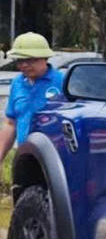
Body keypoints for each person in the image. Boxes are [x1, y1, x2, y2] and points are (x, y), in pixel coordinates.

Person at [1, 32, 64, 166]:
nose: (23, 65)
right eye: (19, 60)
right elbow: (11, 123)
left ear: (45, 58)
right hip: (26, 158)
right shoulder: (17, 84)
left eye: (30, 60)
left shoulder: (62, 82)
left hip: (57, 160)